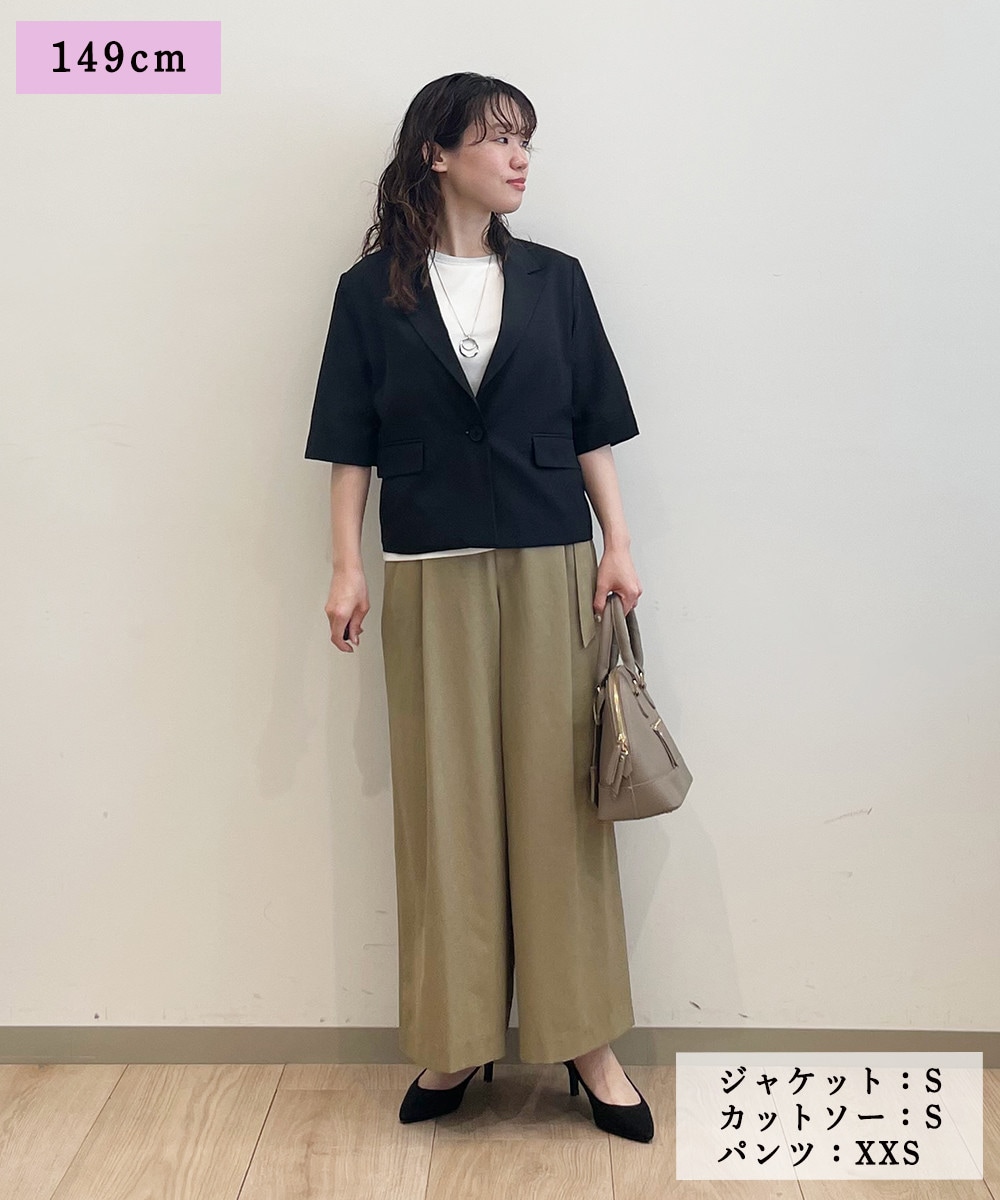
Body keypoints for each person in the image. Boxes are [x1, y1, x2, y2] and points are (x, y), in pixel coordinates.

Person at [304, 72, 653, 1143]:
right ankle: (456, 1036)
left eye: (525, 140)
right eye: (498, 139)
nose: (519, 158)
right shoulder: (369, 293)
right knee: (445, 802)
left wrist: (618, 543)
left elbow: (592, 423)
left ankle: (585, 1041)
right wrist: (346, 566)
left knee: (560, 801)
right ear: (436, 153)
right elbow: (350, 443)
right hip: (429, 561)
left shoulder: (556, 280)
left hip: (551, 556)